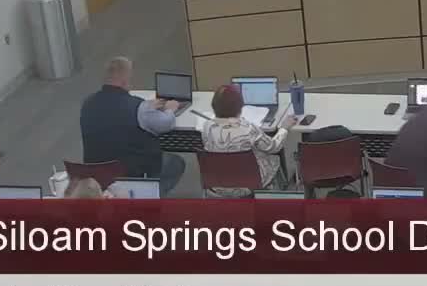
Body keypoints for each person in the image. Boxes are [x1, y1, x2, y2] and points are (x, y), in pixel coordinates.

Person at [79, 56, 186, 195]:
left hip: (97, 174)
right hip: (132, 173)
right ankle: (148, 197)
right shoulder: (138, 107)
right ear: (124, 81)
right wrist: (170, 109)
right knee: (175, 163)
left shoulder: (87, 104)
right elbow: (166, 123)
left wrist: (148, 107)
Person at [200, 85, 293, 197]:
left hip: (217, 184)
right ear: (240, 107)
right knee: (274, 158)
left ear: (214, 106)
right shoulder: (248, 128)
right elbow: (274, 147)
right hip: (247, 185)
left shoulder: (207, 126)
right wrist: (284, 128)